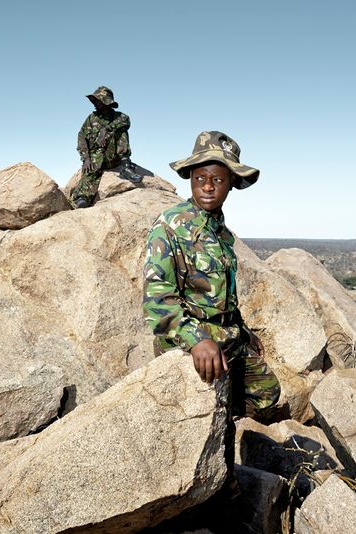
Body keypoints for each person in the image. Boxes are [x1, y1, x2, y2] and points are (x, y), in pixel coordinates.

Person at [142, 130, 280, 418]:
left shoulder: (222, 234)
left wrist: (242, 330)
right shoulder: (170, 226)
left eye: (217, 180)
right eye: (199, 179)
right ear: (191, 179)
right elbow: (158, 299)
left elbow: (224, 295)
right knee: (206, 413)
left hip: (226, 335)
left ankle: (228, 419)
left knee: (267, 393)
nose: (207, 187)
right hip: (191, 339)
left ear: (231, 184)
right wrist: (195, 340)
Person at [72, 86, 132, 208]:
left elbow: (126, 120)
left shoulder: (118, 117)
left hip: (114, 157)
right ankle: (83, 198)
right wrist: (86, 158)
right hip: (96, 157)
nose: (94, 104)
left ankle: (126, 165)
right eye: (94, 101)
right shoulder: (91, 118)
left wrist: (107, 129)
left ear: (106, 102)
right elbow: (82, 137)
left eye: (97, 101)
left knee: (121, 130)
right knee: (91, 169)